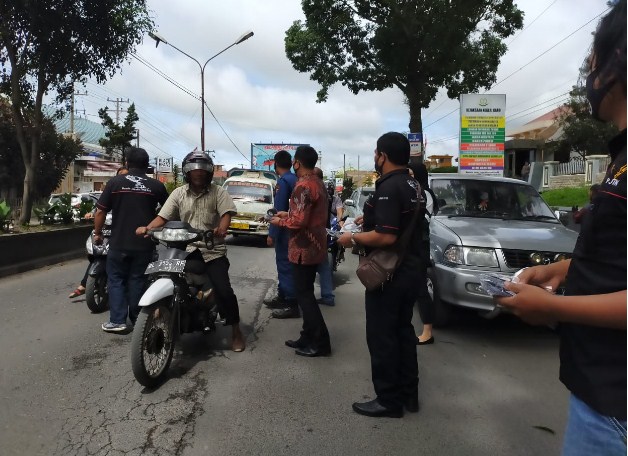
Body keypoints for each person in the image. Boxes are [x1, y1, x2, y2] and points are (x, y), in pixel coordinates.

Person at [497, 3, 626, 453]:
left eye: (593, 56)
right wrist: (564, 271)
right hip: (600, 394)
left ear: (617, 60)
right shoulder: (620, 156)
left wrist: (556, 309)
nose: (588, 71)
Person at [338, 132, 423, 418]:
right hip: (412, 268)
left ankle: (388, 400)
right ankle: (409, 394)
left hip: (391, 274)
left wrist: (353, 238)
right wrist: (370, 219)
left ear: (382, 156)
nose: (375, 158)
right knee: (403, 331)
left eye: (376, 154)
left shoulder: (389, 186)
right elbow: (399, 222)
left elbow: (386, 237)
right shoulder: (413, 184)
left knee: (382, 336)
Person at [137, 151, 246, 352]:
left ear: (209, 173)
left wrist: (222, 229)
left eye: (202, 170)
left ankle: (236, 330)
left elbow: (226, 215)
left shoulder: (218, 192)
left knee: (224, 290)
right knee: (159, 276)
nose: (198, 173)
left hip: (211, 249)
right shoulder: (178, 193)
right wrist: (148, 228)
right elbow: (163, 217)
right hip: (184, 248)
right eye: (193, 170)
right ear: (187, 172)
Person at [94, 148, 168, 332]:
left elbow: (101, 210)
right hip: (144, 242)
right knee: (137, 279)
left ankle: (117, 321)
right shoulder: (156, 186)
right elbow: (169, 211)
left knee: (116, 279)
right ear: (147, 165)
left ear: (127, 163)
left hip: (118, 242)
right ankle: (137, 320)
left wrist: (98, 233)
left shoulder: (115, 182)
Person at [269, 145, 331, 357]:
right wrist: (289, 214)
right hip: (316, 245)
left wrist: (279, 220)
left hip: (304, 248)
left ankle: (321, 342)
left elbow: (299, 221)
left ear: (298, 163)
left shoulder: (303, 186)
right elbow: (306, 214)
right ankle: (307, 335)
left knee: (305, 296)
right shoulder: (317, 183)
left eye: (295, 161)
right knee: (306, 294)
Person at [69, 167, 128, 299]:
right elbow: (99, 209)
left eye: (125, 176)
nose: (122, 179)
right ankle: (84, 284)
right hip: (106, 232)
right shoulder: (110, 192)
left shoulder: (131, 194)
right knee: (98, 255)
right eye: (120, 176)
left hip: (123, 235)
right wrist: (91, 213)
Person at [265, 150, 299, 318]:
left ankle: (291, 303)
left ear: (275, 164)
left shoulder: (283, 182)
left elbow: (278, 211)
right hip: (295, 229)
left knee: (284, 265)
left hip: (285, 230)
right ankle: (283, 295)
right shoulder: (296, 179)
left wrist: (272, 233)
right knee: (288, 265)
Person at [409, 163, 439, 345]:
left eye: (411, 173)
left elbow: (423, 218)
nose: (409, 177)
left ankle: (428, 332)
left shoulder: (425, 193)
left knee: (421, 289)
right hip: (413, 246)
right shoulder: (415, 192)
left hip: (420, 247)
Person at [314, 167, 335, 306]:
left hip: (315, 234)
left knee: (312, 266)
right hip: (323, 233)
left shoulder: (315, 192)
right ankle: (327, 296)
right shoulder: (326, 192)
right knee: (323, 266)